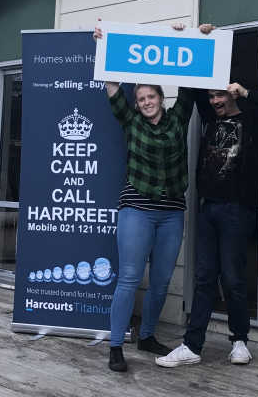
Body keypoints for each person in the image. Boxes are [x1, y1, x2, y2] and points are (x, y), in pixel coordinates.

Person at [156, 24, 258, 368]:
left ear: (231, 93)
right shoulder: (210, 114)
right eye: (211, 96)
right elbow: (190, 78)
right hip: (209, 208)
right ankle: (192, 346)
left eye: (220, 95)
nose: (214, 101)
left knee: (232, 278)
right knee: (203, 278)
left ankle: (240, 341)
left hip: (238, 209)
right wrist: (194, 39)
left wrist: (246, 92)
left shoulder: (255, 121)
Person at [93, 22, 199, 372]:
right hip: (136, 208)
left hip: (172, 212)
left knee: (162, 280)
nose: (146, 102)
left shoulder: (178, 118)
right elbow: (112, 85)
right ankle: (116, 345)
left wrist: (187, 37)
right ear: (136, 105)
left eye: (151, 97)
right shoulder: (131, 122)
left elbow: (190, 80)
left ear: (161, 98)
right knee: (129, 277)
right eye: (140, 99)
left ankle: (148, 335)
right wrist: (104, 45)